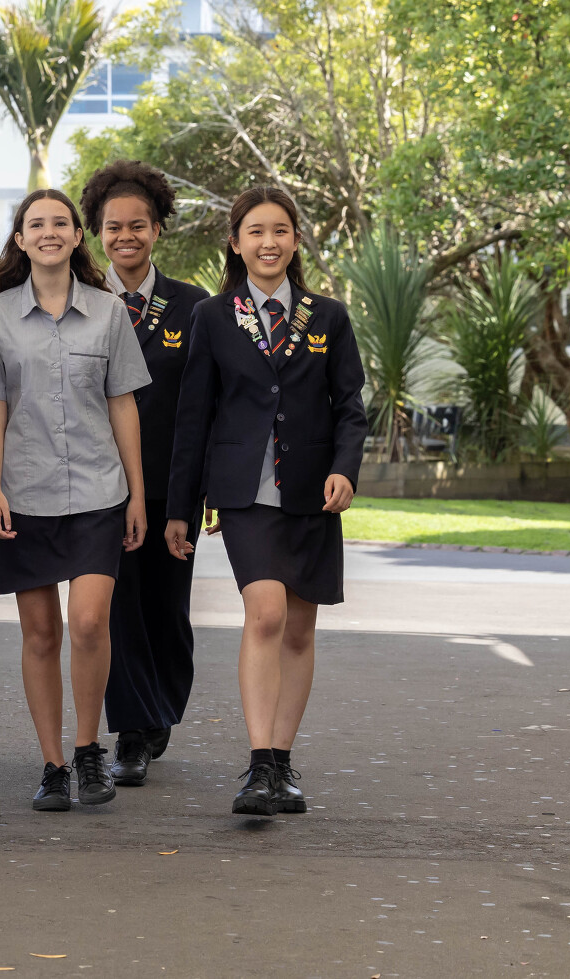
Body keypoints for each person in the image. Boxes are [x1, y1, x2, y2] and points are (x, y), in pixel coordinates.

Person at [165, 186, 367, 817]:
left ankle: (281, 763)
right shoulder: (213, 317)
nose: (268, 242)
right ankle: (257, 766)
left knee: (300, 629)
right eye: (255, 231)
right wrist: (180, 507)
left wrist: (345, 470)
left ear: (296, 240)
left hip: (312, 493)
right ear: (236, 243)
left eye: (280, 230)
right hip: (244, 495)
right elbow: (193, 416)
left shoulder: (328, 316)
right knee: (267, 614)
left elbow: (350, 408)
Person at [0, 188, 150, 812]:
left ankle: (89, 748)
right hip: (26, 489)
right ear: (20, 239)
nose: (48, 231)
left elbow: (123, 403)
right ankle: (52, 763)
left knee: (90, 621)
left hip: (98, 488)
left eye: (60, 222)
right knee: (41, 632)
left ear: (76, 236)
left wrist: (137, 493)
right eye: (35, 223)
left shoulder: (109, 312)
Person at [78, 160, 209, 787]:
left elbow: (205, 404)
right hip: (99, 483)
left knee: (166, 608)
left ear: (157, 229)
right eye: (113, 227)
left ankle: (159, 706)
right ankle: (131, 728)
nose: (125, 236)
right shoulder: (81, 300)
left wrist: (197, 492)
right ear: (97, 233)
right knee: (117, 607)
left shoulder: (195, 306)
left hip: (171, 483)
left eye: (137, 225)